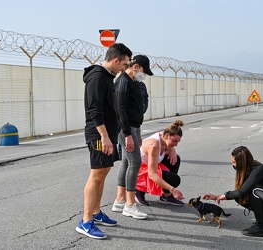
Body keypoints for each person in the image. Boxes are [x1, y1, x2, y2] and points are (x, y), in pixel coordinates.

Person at [76, 43, 132, 239]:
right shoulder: (97, 77)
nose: (124, 69)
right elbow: (94, 110)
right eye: (124, 64)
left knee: (103, 172)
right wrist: (105, 136)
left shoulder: (106, 77)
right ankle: (85, 221)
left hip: (107, 134)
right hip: (100, 135)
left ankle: (96, 212)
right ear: (116, 60)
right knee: (96, 175)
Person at [203, 146, 263, 237]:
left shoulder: (258, 169)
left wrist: (226, 195)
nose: (232, 165)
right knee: (239, 196)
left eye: (234, 162)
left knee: (253, 190)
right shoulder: (249, 169)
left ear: (241, 163)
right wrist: (217, 197)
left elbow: (242, 191)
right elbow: (240, 193)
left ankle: (260, 227)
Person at [111, 55, 154, 220]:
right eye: (144, 71)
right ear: (136, 66)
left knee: (127, 162)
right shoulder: (123, 81)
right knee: (135, 162)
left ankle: (120, 200)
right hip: (126, 128)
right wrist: (128, 134)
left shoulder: (133, 82)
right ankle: (129, 204)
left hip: (133, 127)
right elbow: (120, 109)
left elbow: (136, 108)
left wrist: (138, 132)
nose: (144, 75)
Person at [134, 119, 185, 207]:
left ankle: (165, 196)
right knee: (175, 179)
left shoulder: (164, 135)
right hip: (139, 171)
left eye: (178, 141)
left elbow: (169, 143)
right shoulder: (154, 146)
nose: (176, 144)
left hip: (150, 165)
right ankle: (138, 190)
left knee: (176, 159)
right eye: (174, 141)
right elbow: (152, 174)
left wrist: (172, 149)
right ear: (167, 136)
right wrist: (172, 189)